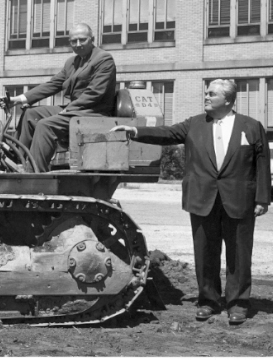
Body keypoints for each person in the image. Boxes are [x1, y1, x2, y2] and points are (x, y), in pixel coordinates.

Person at [112, 79, 270, 325]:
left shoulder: (251, 126)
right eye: (206, 93)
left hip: (240, 200)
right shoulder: (194, 124)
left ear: (227, 100)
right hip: (202, 198)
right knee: (205, 252)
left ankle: (238, 303)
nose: (206, 97)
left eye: (211, 94)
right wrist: (135, 131)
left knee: (239, 254)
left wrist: (263, 198)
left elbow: (261, 163)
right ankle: (208, 301)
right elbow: (167, 134)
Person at [0, 23, 116, 172]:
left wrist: (68, 109)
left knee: (45, 125)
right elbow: (53, 84)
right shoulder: (72, 62)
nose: (78, 44)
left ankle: (34, 173)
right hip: (76, 111)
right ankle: (16, 161)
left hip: (94, 112)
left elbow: (94, 93)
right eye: (74, 41)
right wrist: (18, 99)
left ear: (92, 39)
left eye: (82, 40)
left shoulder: (104, 59)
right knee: (30, 114)